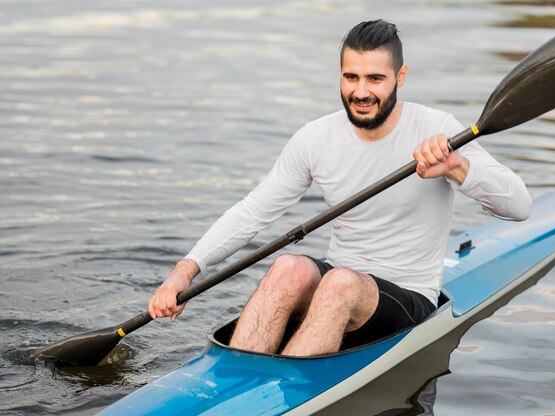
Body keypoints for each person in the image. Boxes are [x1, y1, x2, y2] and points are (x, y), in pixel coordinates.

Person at [148, 20, 532, 356]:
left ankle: (285, 389)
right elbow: (253, 211)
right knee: (289, 267)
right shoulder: (315, 137)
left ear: (400, 77)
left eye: (375, 79)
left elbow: (518, 205)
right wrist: (185, 271)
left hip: (408, 294)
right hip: (340, 278)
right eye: (352, 77)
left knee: (339, 284)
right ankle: (238, 376)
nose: (361, 92)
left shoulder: (439, 130)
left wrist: (458, 168)